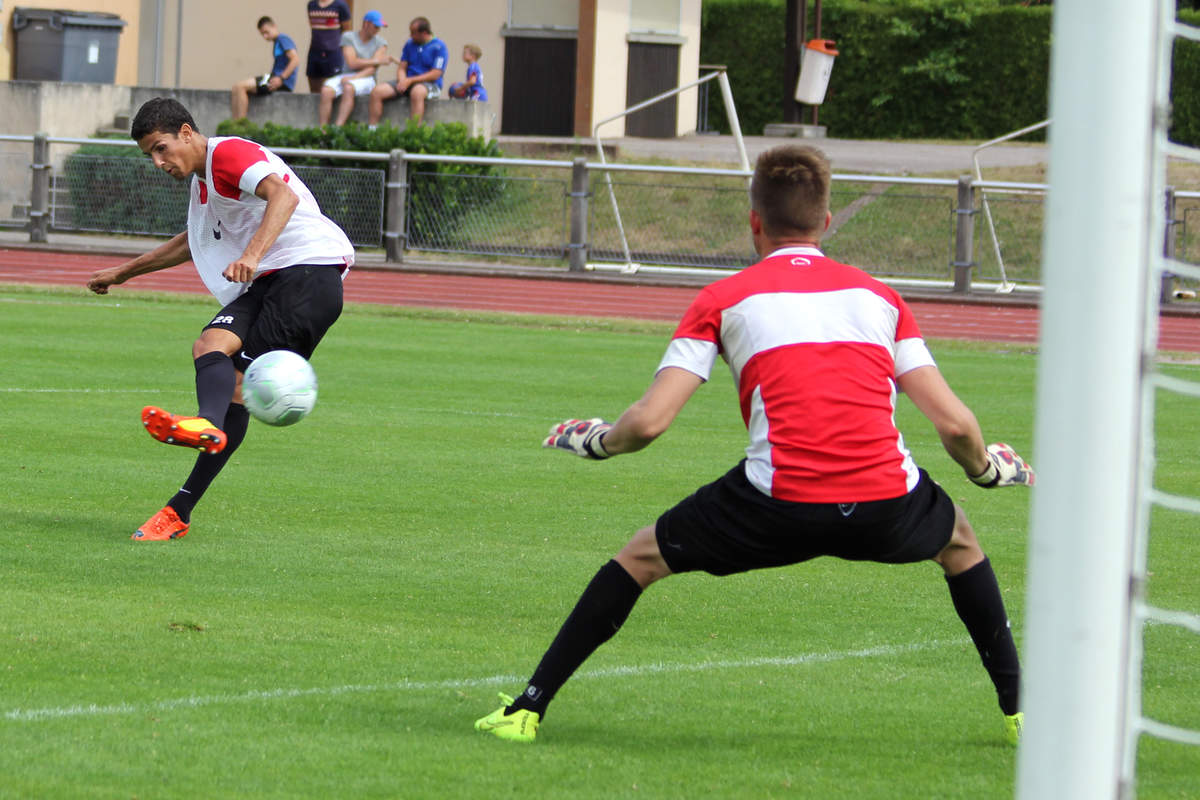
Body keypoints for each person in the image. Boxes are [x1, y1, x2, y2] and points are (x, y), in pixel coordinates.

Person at [474, 144, 1035, 746]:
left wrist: (597, 442)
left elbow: (650, 423)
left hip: (775, 503)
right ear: (826, 221)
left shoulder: (721, 298)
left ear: (754, 221)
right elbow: (954, 427)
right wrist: (987, 470)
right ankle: (1023, 716)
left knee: (639, 559)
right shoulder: (882, 299)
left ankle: (527, 710)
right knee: (961, 544)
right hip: (884, 499)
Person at [86, 97, 354, 541]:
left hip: (309, 274)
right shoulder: (204, 183)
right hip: (271, 279)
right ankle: (203, 431)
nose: (158, 162)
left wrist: (251, 254)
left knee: (234, 387)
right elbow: (189, 243)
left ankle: (180, 507)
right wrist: (123, 272)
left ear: (187, 133)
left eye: (161, 148)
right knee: (209, 346)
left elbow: (282, 195)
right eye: (150, 155)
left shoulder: (227, 154)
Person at [366, 17, 447, 127]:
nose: (410, 36)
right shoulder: (409, 44)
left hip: (430, 84)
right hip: (407, 81)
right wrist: (402, 80)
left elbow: (436, 74)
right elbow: (402, 67)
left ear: (424, 33)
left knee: (417, 92)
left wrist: (410, 80)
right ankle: (372, 130)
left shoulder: (439, 47)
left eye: (413, 33)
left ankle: (413, 132)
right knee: (377, 91)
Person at [318, 10, 389, 126]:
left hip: (367, 77)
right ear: (366, 24)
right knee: (326, 90)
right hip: (346, 74)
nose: (378, 30)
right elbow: (352, 63)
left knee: (348, 87)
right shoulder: (348, 37)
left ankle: (338, 127)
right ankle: (322, 129)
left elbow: (372, 69)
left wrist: (355, 77)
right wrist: (377, 61)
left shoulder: (382, 43)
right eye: (376, 26)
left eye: (379, 27)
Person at [230, 17, 300, 119]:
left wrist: (281, 78)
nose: (265, 36)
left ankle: (240, 124)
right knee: (236, 87)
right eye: (262, 34)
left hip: (279, 81)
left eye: (266, 32)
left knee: (240, 87)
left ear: (274, 26)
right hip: (274, 78)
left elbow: (295, 60)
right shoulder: (277, 42)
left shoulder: (283, 39)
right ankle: (235, 124)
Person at [305, 0, 352, 93]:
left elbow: (347, 30)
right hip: (315, 50)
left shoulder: (340, 5)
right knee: (314, 88)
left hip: (333, 52)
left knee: (332, 88)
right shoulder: (312, 5)